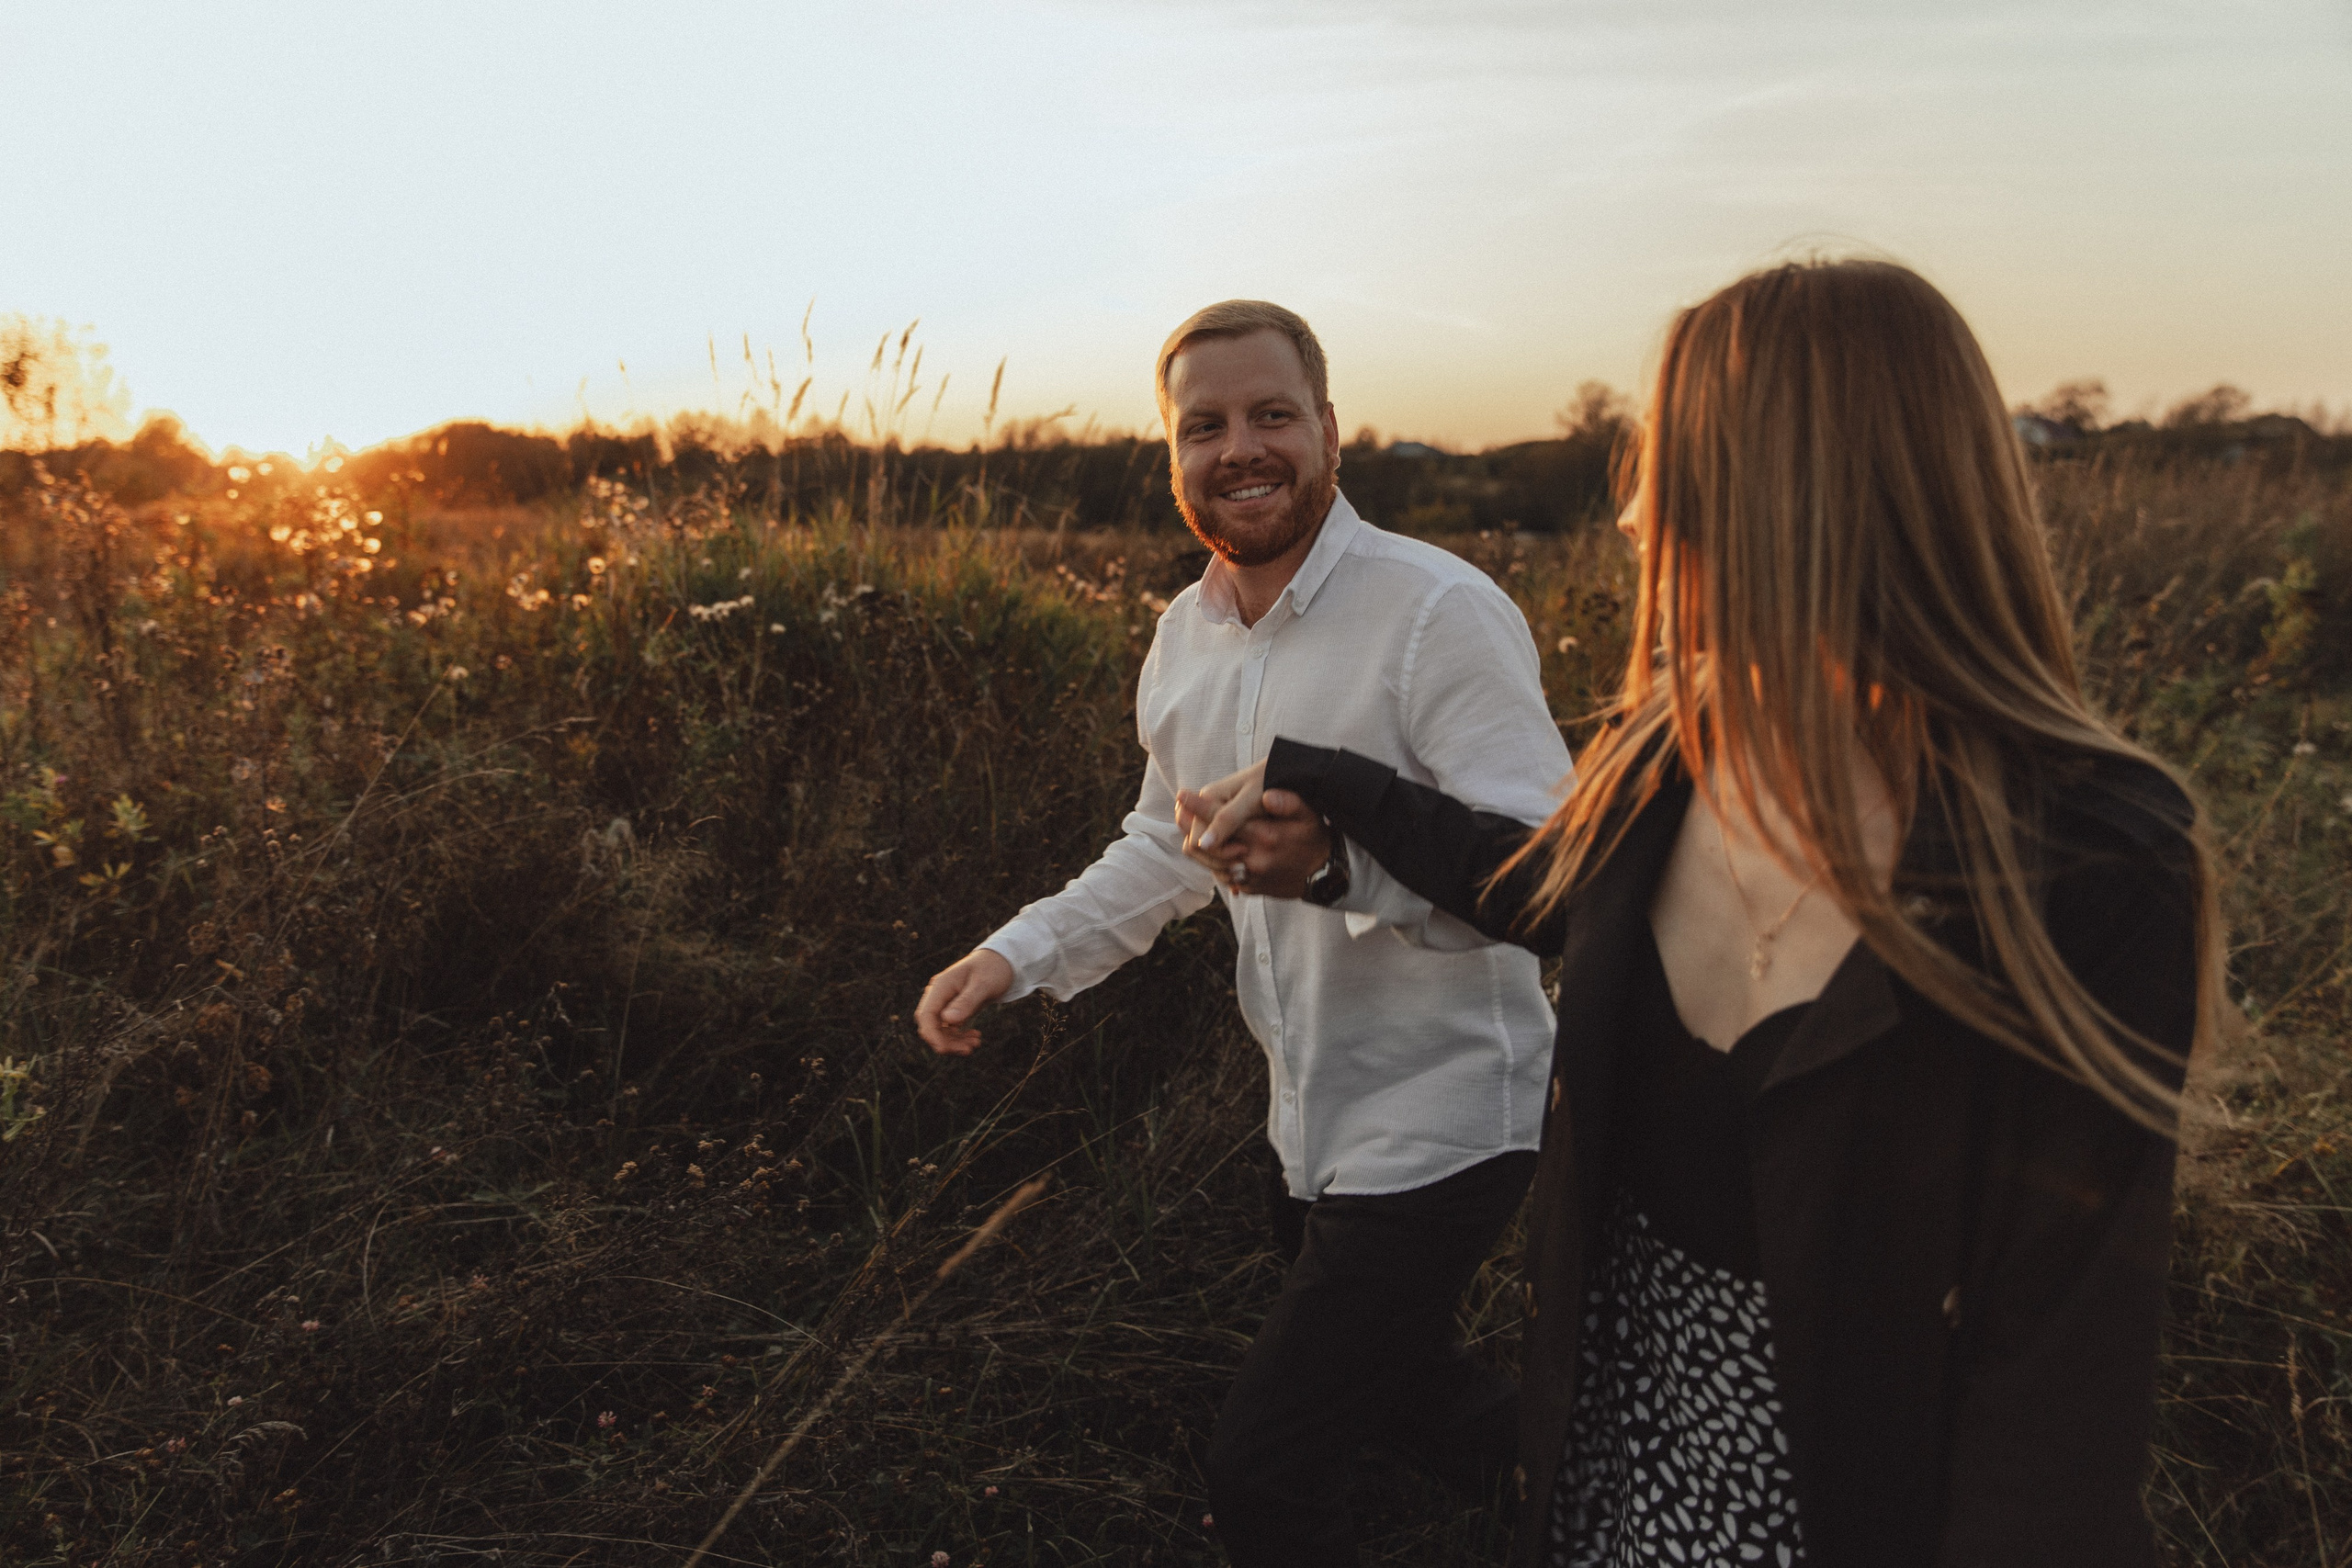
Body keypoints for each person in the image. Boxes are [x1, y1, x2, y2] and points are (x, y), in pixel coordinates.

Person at [1178, 258, 2223, 1568]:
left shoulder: (2087, 861)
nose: (1631, 516)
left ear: (1798, 485)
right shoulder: (1675, 754)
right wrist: (1326, 793)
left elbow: (2057, 1389)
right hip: (1607, 1490)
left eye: (1666, 461)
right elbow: (1540, 889)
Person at [913, 299, 1577, 1565]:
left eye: (1273, 415)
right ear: (1171, 453)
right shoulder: (1184, 639)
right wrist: (1017, 955)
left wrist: (1338, 870)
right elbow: (1169, 844)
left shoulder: (1438, 611)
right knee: (1413, 1401)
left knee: (1267, 1476)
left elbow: (1541, 875)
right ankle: (1611, 1499)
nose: (1241, 448)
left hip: (1448, 1112)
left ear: (1331, 431)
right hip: (1309, 1116)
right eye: (1203, 425)